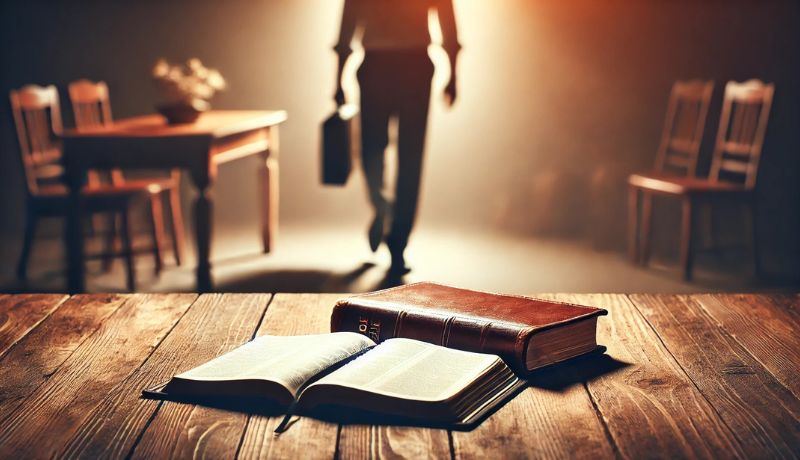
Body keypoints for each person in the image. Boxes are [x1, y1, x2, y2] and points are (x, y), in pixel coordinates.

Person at [334, 0, 460, 274]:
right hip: (409, 64)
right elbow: (448, 20)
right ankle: (394, 229)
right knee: (405, 155)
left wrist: (339, 79)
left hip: (383, 63)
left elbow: (347, 25)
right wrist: (453, 73)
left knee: (375, 148)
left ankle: (391, 223)